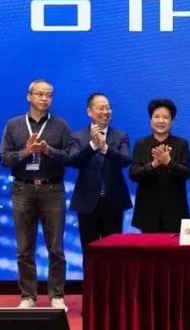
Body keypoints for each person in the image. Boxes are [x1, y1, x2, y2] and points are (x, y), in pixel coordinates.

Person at [0, 79, 71, 310]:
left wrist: (47, 150)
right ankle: (28, 296)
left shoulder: (61, 125)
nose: (44, 98)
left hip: (53, 190)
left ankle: (56, 295)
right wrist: (25, 152)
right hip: (23, 189)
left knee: (56, 248)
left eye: (48, 95)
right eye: (39, 94)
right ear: (29, 97)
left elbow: (70, 157)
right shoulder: (14, 125)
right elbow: (3, 158)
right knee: (24, 248)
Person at [67, 93, 132, 270]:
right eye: (101, 108)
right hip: (87, 203)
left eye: (108, 108)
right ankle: (91, 287)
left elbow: (125, 160)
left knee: (114, 253)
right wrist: (92, 146)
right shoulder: (77, 137)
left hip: (113, 202)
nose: (106, 111)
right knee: (89, 252)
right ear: (89, 111)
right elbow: (72, 161)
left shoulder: (120, 136)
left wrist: (105, 148)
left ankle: (115, 287)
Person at [129, 98, 190, 233]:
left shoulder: (181, 143)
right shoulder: (141, 144)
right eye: (157, 116)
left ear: (172, 121)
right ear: (151, 120)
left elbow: (187, 173)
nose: (161, 121)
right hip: (148, 211)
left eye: (165, 117)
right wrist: (154, 164)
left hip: (175, 211)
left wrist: (169, 162)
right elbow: (133, 174)